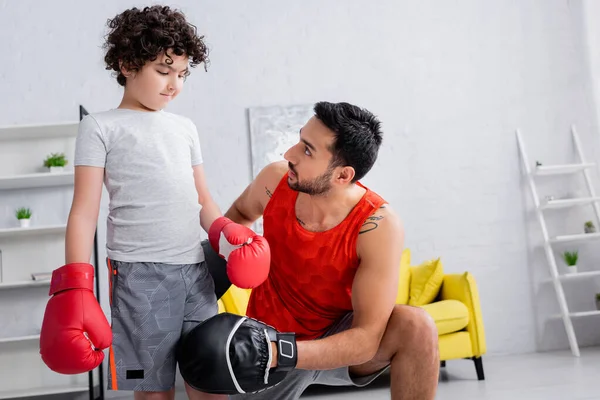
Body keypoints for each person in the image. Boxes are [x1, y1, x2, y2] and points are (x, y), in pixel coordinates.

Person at [38, 6, 269, 400]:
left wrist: (230, 235)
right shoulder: (100, 126)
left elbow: (203, 201)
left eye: (181, 74)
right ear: (128, 64)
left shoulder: (184, 128)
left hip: (195, 273)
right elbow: (84, 211)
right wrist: (74, 287)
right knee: (153, 391)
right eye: (164, 71)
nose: (174, 85)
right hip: (138, 278)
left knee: (211, 383)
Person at [183, 101, 440, 399]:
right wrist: (232, 251)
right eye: (299, 140)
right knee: (198, 317)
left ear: (343, 175)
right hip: (266, 341)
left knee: (416, 326)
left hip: (332, 344)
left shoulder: (378, 225)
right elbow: (239, 213)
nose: (289, 154)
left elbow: (367, 340)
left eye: (307, 150)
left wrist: (281, 353)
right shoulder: (275, 181)